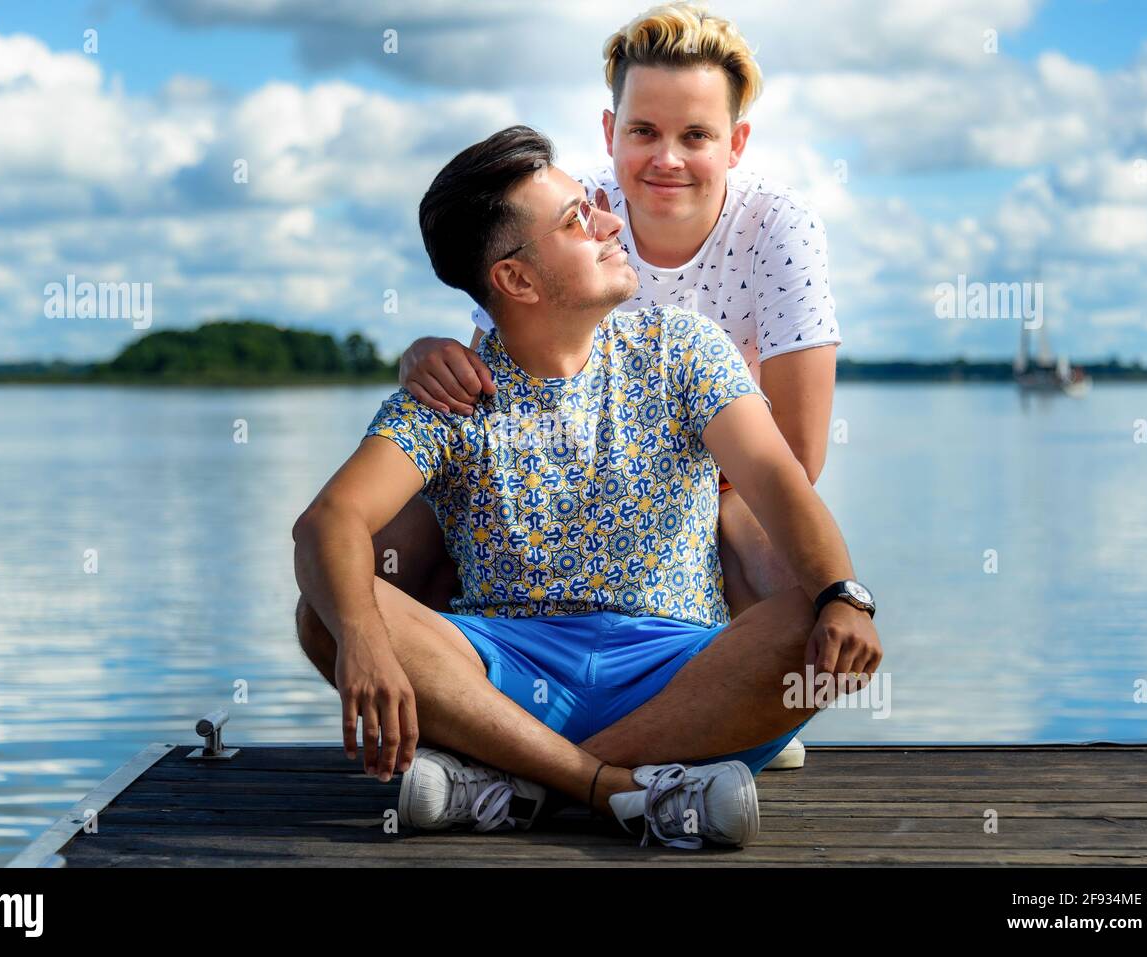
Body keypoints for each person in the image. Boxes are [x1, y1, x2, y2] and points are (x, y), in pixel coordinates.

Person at [293, 125, 880, 849]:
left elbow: (777, 481)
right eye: (577, 219)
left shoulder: (685, 350)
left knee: (812, 625)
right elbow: (327, 521)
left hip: (677, 678)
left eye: (593, 205)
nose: (609, 222)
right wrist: (362, 640)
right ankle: (632, 789)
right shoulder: (452, 394)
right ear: (517, 280)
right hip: (501, 674)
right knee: (327, 610)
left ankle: (524, 784)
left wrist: (842, 595)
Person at [395, 3, 841, 767]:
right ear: (610, 133)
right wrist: (420, 357)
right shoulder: (574, 213)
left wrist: (669, 461)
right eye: (644, 132)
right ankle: (501, 702)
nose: (666, 157)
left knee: (793, 561)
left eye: (696, 135)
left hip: (719, 475)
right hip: (566, 469)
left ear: (734, 145)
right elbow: (495, 372)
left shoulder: (779, 229)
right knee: (382, 557)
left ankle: (707, 704)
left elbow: (794, 458)